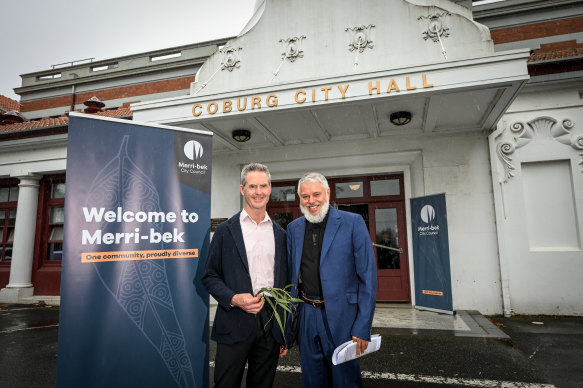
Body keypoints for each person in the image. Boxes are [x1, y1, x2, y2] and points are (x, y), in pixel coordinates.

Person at [286, 172, 377, 387]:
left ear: (327, 193)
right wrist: (288, 325)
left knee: (345, 380)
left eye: (316, 194)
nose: (311, 201)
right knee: (312, 380)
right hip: (307, 315)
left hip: (344, 317)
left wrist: (363, 325)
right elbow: (290, 278)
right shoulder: (293, 229)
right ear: (299, 199)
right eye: (305, 196)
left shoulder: (353, 222)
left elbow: (368, 277)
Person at [202, 162, 288, 388]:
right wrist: (233, 298)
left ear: (270, 188)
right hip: (233, 323)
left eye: (262, 186)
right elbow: (209, 276)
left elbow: (287, 284)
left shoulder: (281, 234)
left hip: (270, 324)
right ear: (242, 190)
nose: (258, 192)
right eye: (252, 186)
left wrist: (284, 331)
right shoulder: (224, 231)